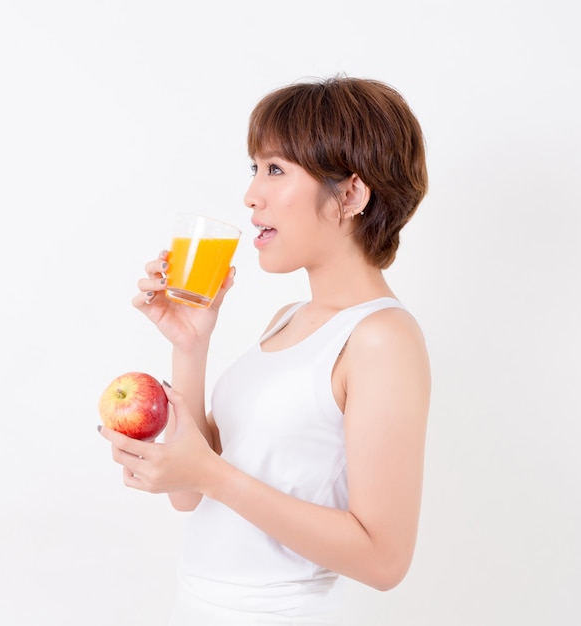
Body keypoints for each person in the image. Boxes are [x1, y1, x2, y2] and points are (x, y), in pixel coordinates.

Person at [99, 75, 431, 625]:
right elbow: (189, 494)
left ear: (350, 194)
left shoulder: (380, 338)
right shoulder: (289, 320)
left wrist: (210, 476)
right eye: (254, 169)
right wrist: (191, 344)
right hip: (198, 605)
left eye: (276, 169)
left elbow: (384, 559)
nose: (252, 194)